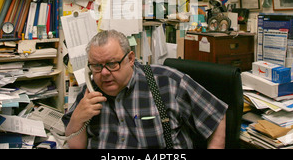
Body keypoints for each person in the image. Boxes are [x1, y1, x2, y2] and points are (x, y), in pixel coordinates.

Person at [62, 30, 228, 149]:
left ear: (130, 59)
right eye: (97, 66)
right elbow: (76, 146)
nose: (104, 73)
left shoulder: (167, 82)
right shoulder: (90, 93)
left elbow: (216, 114)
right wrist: (77, 119)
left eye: (112, 64)